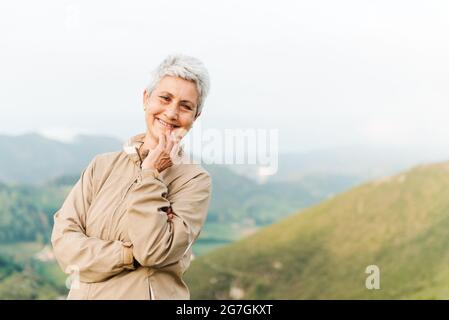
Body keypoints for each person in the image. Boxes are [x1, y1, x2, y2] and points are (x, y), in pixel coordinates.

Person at [51, 53, 212, 299]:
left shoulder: (194, 181)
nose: (171, 113)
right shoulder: (101, 166)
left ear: (195, 117)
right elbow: (64, 244)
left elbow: (153, 251)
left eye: (185, 106)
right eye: (165, 98)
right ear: (146, 99)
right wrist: (128, 254)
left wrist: (150, 174)